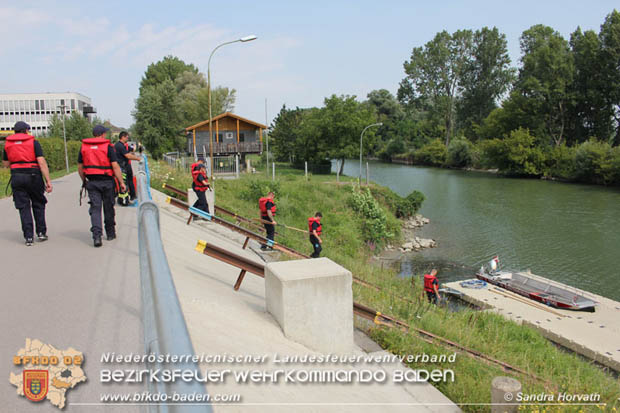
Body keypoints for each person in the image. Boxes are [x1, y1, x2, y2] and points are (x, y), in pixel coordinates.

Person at [2, 121, 53, 246]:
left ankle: (28, 237)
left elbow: (6, 164)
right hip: (33, 175)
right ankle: (41, 232)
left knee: (23, 207)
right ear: (25, 131)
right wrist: (48, 181)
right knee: (38, 204)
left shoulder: (8, 144)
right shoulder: (33, 142)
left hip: (17, 176)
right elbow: (41, 162)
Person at [78, 125, 126, 248]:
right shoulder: (108, 147)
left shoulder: (84, 147)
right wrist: (121, 182)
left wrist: (84, 180)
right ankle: (110, 233)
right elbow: (115, 166)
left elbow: (80, 167)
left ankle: (97, 236)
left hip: (92, 182)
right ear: (103, 134)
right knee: (108, 207)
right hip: (107, 181)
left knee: (95, 208)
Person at [113, 131, 141, 203]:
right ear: (122, 137)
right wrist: (137, 158)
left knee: (128, 181)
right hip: (121, 166)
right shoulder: (119, 145)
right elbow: (128, 155)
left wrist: (136, 146)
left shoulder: (123, 145)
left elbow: (132, 150)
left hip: (125, 166)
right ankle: (123, 200)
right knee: (123, 183)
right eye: (127, 137)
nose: (127, 138)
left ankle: (130, 197)